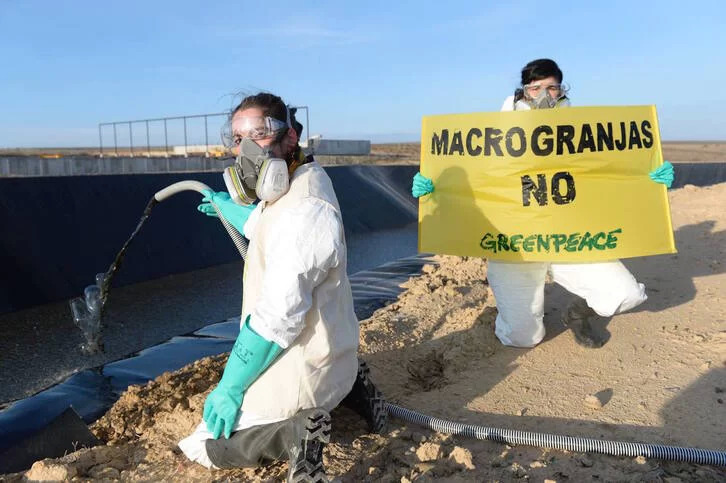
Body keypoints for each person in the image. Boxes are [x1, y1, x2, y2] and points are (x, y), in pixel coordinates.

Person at [178, 92, 385, 481]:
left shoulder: (305, 210)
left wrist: (230, 387)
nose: (246, 151)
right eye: (238, 139)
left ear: (289, 137)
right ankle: (351, 387)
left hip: (305, 367)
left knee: (203, 444)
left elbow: (275, 321)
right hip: (330, 353)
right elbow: (269, 227)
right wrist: (232, 208)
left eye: (259, 134)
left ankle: (293, 433)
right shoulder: (302, 179)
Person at [413, 59, 673, 349]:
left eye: (552, 87)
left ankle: (576, 313)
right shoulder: (493, 134)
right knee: (523, 337)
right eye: (535, 88)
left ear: (561, 90)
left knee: (625, 294)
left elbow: (608, 171)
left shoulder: (580, 132)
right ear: (524, 91)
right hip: (515, 247)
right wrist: (434, 184)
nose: (543, 95)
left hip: (569, 238)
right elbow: (469, 176)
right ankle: (510, 311)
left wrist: (647, 176)